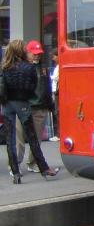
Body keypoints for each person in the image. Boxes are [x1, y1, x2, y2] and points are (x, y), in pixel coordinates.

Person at [1, 39, 59, 183]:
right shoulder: (29, 68)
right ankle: (43, 168)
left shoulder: (5, 67)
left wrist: (4, 100)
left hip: (8, 104)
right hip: (24, 104)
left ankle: (15, 172)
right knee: (32, 137)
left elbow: (2, 87)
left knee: (11, 139)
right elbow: (32, 87)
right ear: (22, 51)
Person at [24, 40, 54, 173]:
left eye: (38, 53)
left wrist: (50, 105)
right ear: (28, 53)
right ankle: (14, 164)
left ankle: (32, 162)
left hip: (40, 106)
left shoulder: (44, 68)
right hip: (25, 106)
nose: (36, 56)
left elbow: (47, 88)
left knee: (36, 138)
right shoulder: (23, 67)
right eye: (34, 53)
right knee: (18, 139)